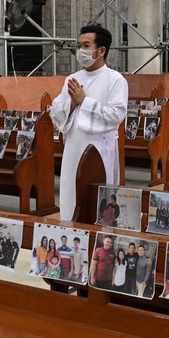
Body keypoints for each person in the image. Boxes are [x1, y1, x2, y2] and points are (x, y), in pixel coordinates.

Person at [50, 25, 128, 220]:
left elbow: (115, 116)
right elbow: (56, 111)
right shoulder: (73, 78)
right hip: (74, 147)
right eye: (78, 46)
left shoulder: (116, 80)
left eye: (86, 45)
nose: (80, 51)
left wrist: (84, 101)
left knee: (97, 201)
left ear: (101, 51)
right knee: (71, 196)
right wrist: (72, 103)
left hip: (100, 150)